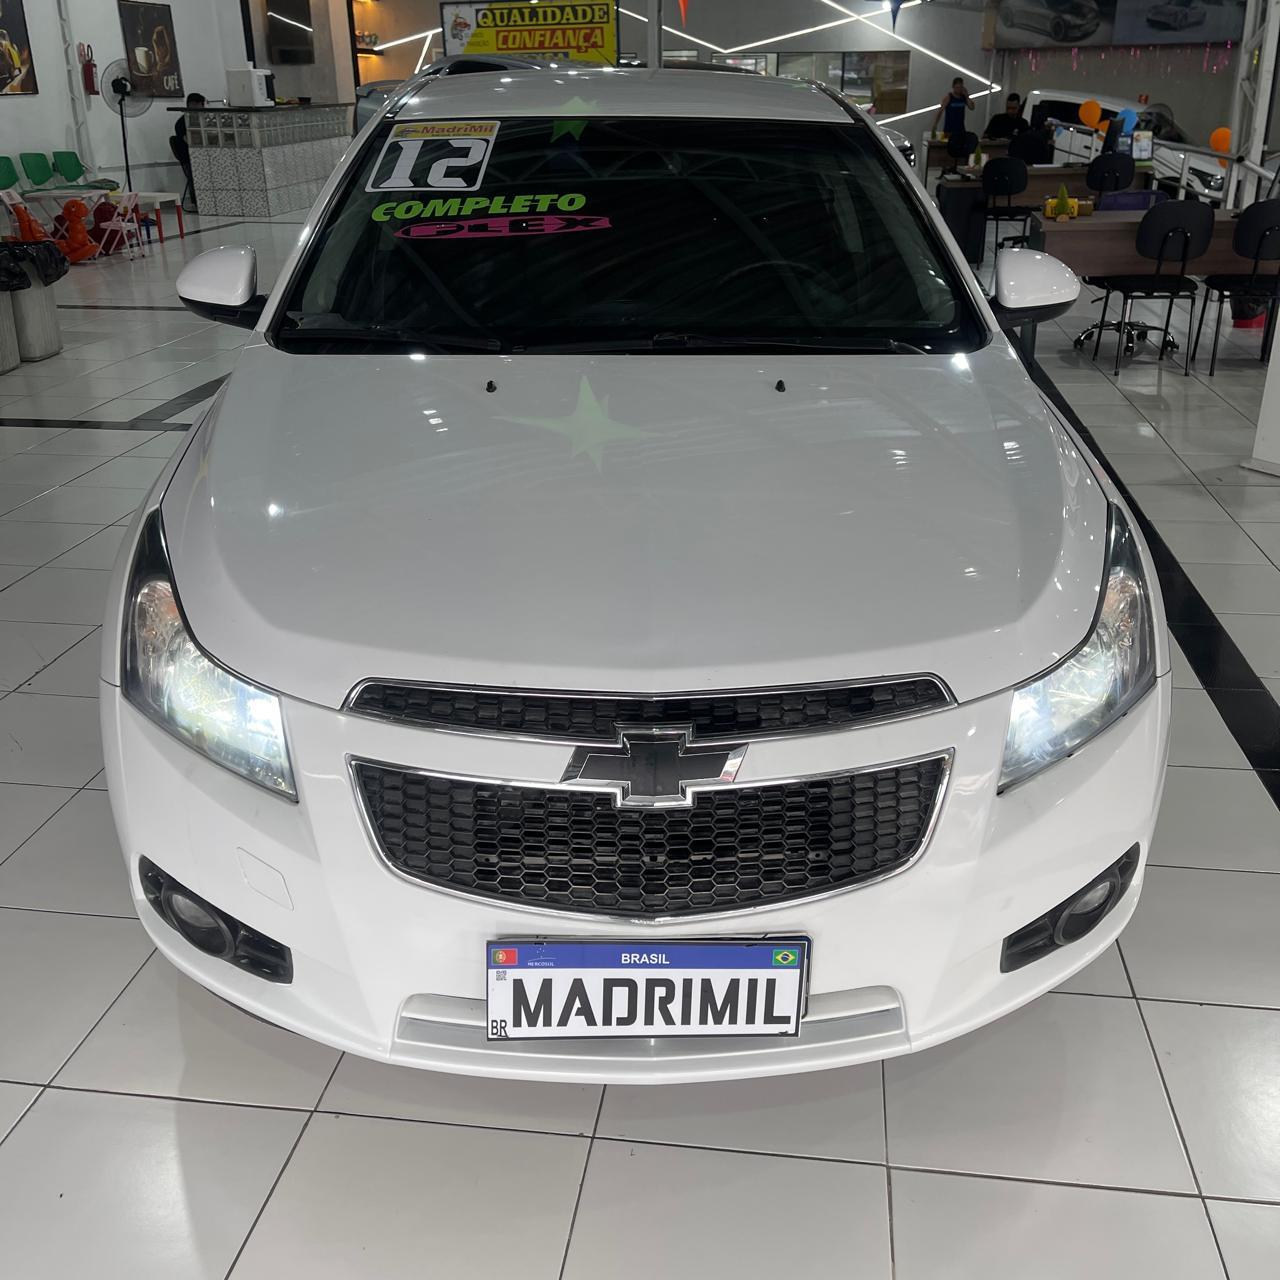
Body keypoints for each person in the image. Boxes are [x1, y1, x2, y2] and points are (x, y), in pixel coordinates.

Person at [171, 92, 205, 212]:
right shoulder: (181, 123)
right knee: (195, 173)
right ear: (190, 105)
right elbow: (189, 141)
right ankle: (197, 201)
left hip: (204, 153)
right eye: (196, 105)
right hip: (189, 156)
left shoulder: (205, 120)